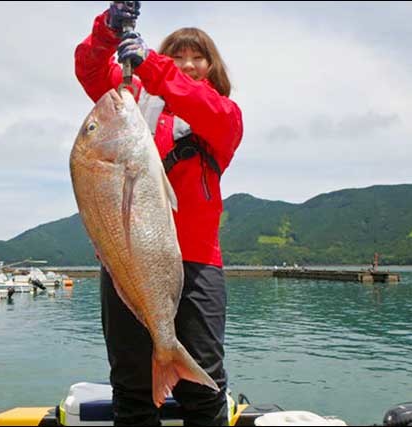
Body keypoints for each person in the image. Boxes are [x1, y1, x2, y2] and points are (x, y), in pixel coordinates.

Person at [75, 2, 243, 425]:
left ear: (211, 68)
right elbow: (90, 70)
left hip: (198, 264)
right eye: (178, 55)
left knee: (204, 390)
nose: (187, 63)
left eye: (197, 57)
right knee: (131, 389)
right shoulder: (131, 104)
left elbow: (203, 106)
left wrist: (155, 64)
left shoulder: (224, 116)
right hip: (127, 263)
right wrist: (107, 32)